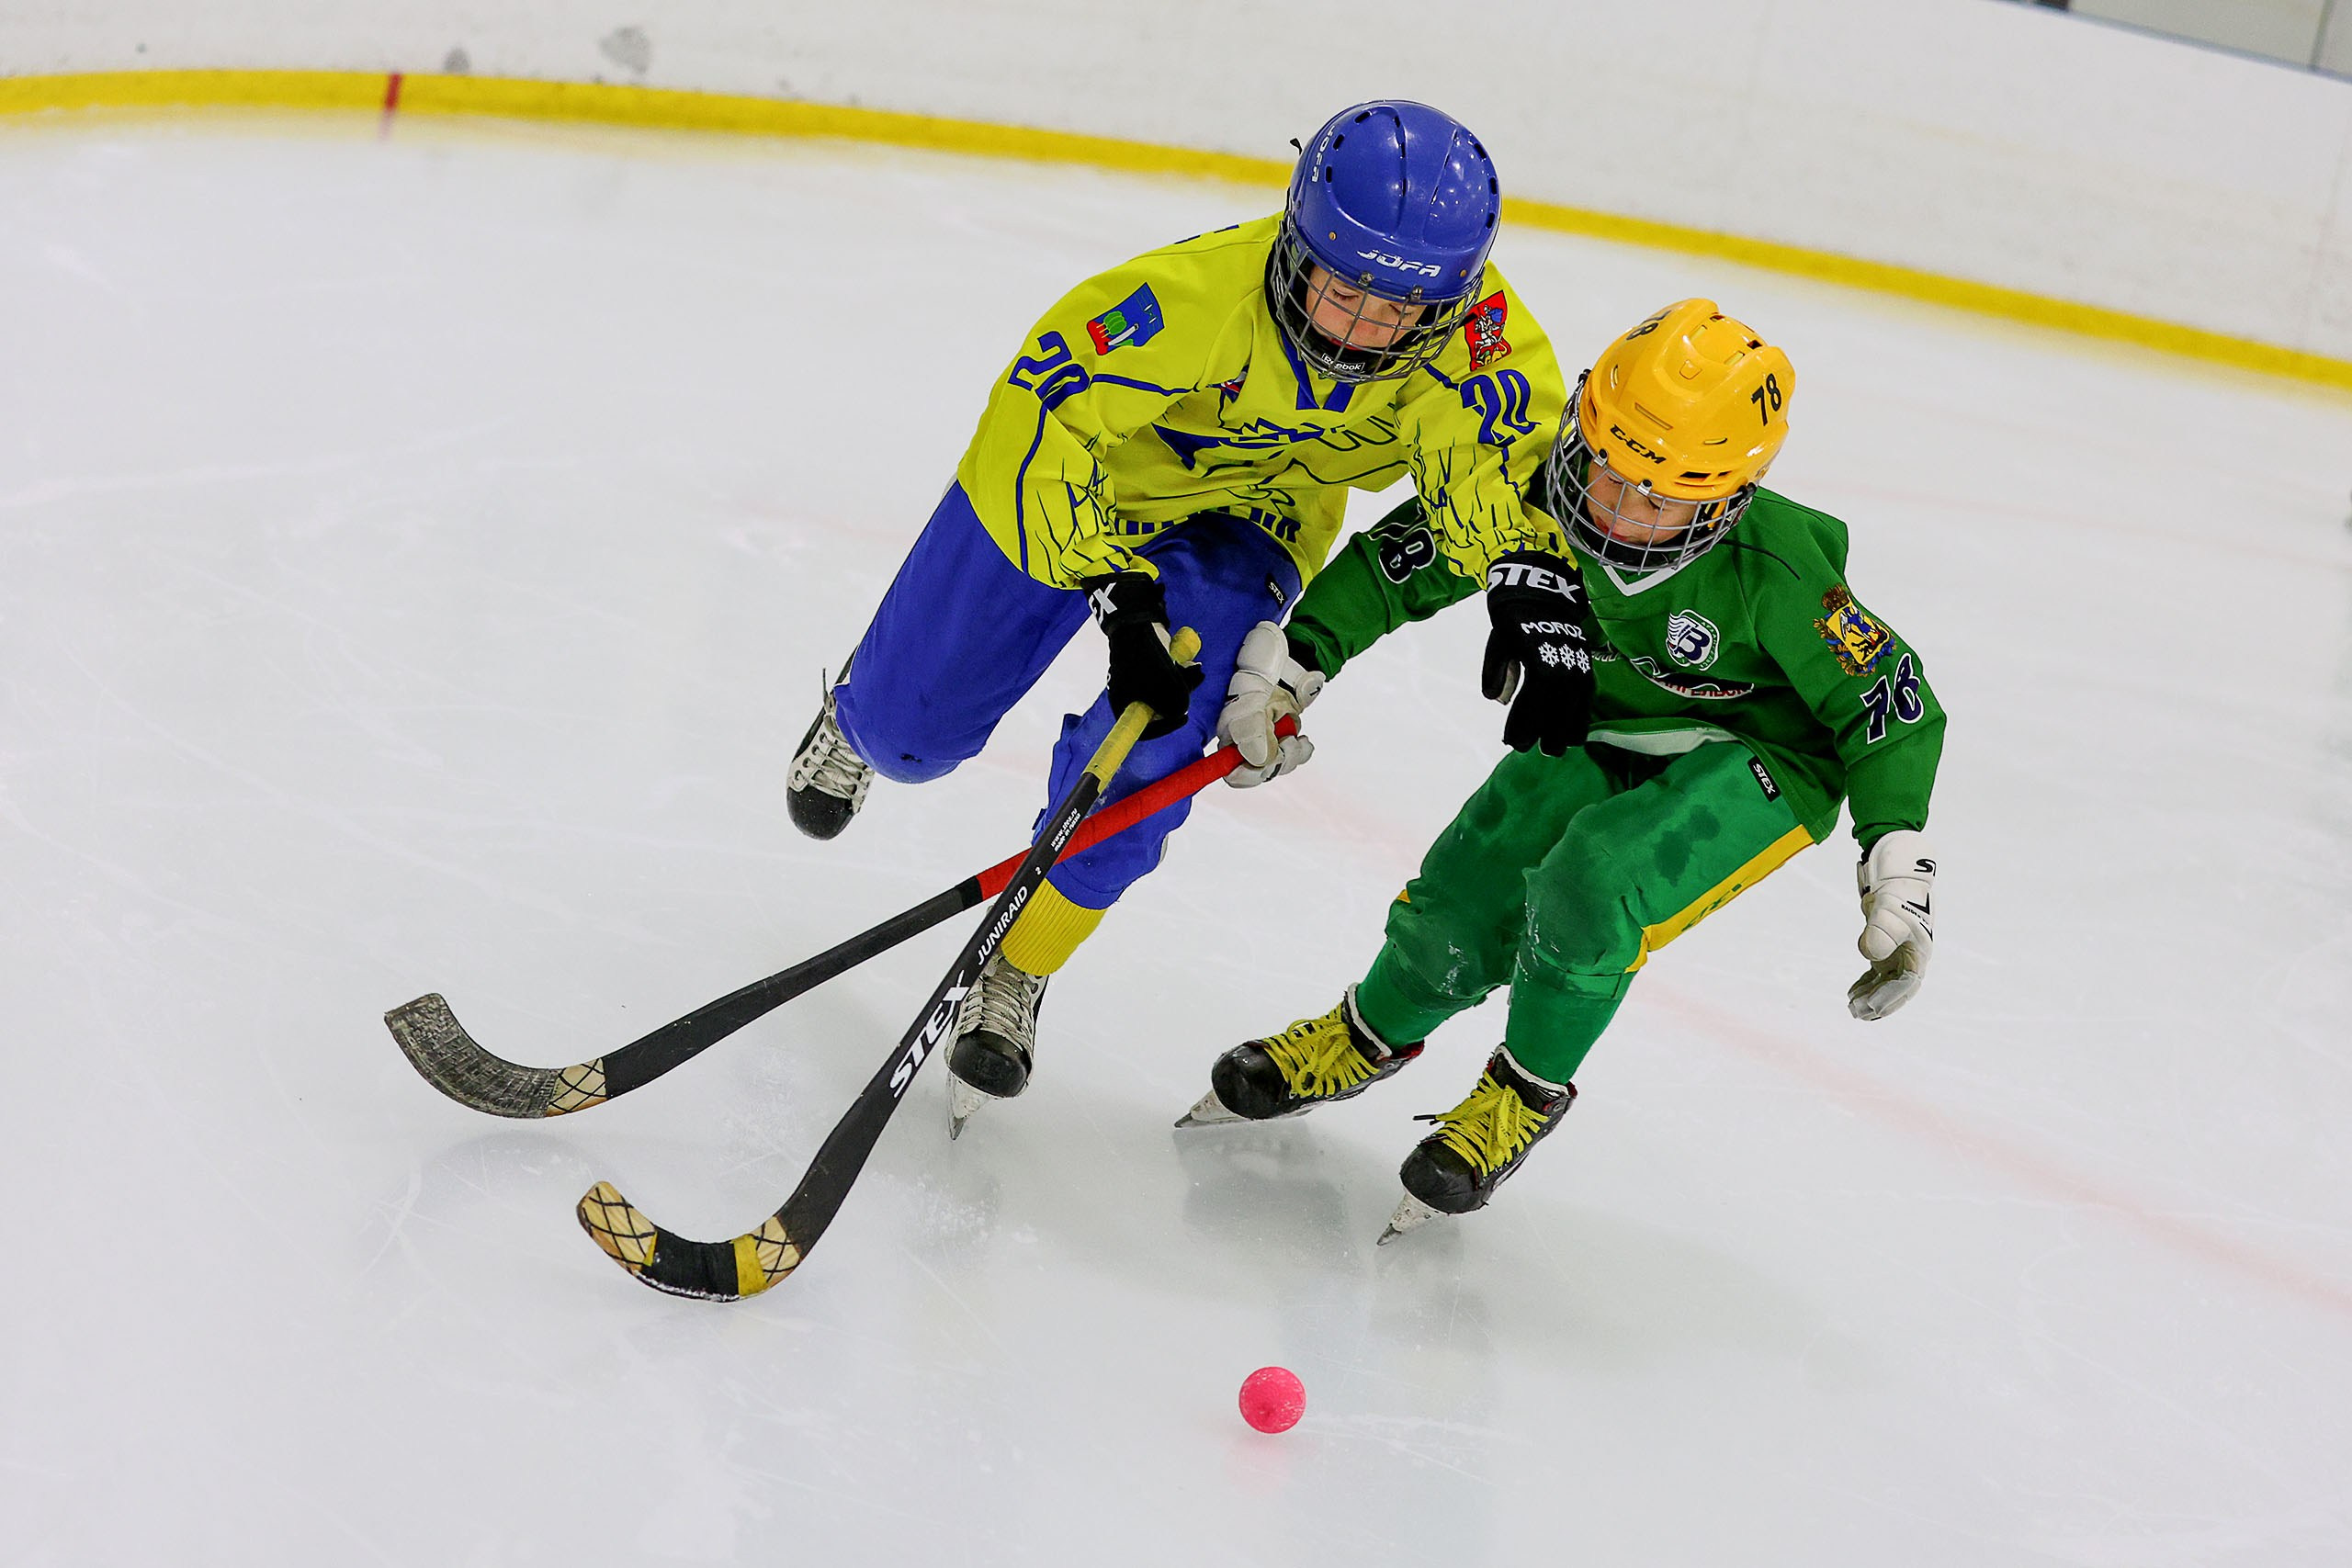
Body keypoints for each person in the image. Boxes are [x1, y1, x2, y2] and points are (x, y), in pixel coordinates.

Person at [784, 101, 1590, 1135]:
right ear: (1296, 246)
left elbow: (1496, 471)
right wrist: (1114, 589)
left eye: (1402, 311)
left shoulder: (1480, 342)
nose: (1365, 333)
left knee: (1155, 751)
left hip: (1248, 527)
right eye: (1344, 293)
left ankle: (1016, 967)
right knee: (911, 738)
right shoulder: (1180, 302)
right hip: (1082, 489)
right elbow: (1043, 420)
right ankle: (865, 712)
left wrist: (1530, 577)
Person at [1183, 299, 1946, 1242]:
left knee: (1595, 881)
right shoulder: (1533, 480)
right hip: (1603, 724)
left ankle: (1523, 1093)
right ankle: (1365, 1034)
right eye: (1606, 472)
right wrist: (1295, 663)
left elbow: (1888, 700)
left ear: (1726, 499)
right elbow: (1400, 563)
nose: (1616, 511)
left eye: (1655, 498)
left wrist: (1897, 864)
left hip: (1762, 759)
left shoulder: (1777, 566)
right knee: (1466, 882)